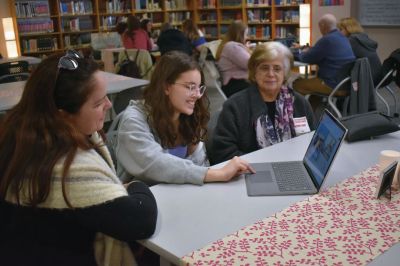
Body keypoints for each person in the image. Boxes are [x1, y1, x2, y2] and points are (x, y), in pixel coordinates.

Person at [0, 51, 157, 265]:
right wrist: (135, 185)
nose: (109, 105)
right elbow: (141, 220)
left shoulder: (20, 141)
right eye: (98, 103)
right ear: (63, 116)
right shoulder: (68, 166)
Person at [115, 51, 254, 185]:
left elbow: (200, 163)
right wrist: (218, 174)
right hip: (147, 199)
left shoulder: (188, 115)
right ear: (166, 87)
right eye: (190, 87)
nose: (198, 95)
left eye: (199, 88)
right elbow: (156, 164)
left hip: (183, 194)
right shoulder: (133, 120)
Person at [211, 42, 316, 164]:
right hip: (251, 172)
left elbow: (312, 143)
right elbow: (223, 152)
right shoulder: (235, 106)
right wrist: (262, 165)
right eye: (264, 68)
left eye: (277, 69)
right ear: (254, 72)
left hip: (294, 167)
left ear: (285, 73)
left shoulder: (299, 103)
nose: (271, 74)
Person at [293, 14, 355, 108]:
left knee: (297, 84)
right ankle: (313, 112)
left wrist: (293, 53)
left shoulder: (327, 39)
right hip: (345, 83)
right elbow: (324, 51)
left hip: (332, 85)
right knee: (311, 83)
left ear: (323, 26)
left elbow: (306, 58)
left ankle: (298, 115)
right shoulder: (343, 38)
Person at [337, 17, 382, 85]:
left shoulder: (352, 40)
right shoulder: (363, 37)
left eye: (341, 29)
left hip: (366, 79)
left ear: (348, 28)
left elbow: (341, 58)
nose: (339, 32)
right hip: (377, 75)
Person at [216, 20, 252, 97]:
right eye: (245, 34)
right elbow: (250, 64)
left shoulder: (228, 45)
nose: (247, 37)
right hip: (235, 85)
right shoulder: (232, 47)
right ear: (240, 34)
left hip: (234, 83)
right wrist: (247, 50)